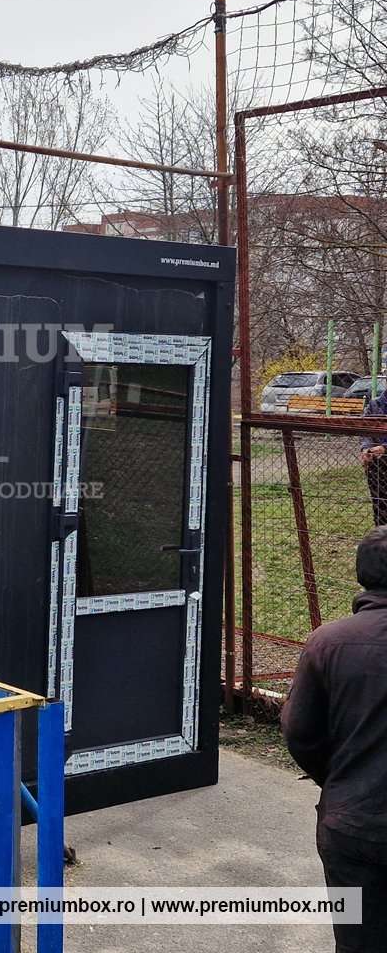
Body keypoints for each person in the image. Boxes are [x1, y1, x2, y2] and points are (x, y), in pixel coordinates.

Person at [282, 526, 387, 952]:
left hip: (352, 825)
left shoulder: (327, 642)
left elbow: (299, 732)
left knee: (358, 941)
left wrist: (343, 780)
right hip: (353, 816)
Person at [359, 388, 387, 526]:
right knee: (379, 505)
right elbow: (365, 429)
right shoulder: (374, 404)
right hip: (376, 462)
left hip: (382, 451)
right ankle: (381, 535)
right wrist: (366, 449)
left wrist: (385, 448)